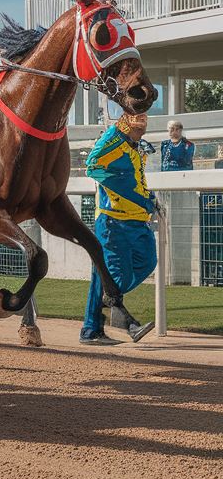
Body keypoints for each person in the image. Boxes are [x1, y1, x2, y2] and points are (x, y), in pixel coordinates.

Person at [80, 112, 156, 345]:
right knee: (113, 275)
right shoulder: (114, 142)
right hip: (114, 221)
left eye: (144, 123)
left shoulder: (135, 147)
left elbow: (135, 179)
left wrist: (148, 197)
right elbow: (92, 166)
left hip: (137, 220)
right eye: (137, 123)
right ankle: (96, 325)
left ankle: (103, 310)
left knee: (147, 262)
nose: (142, 125)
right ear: (126, 124)